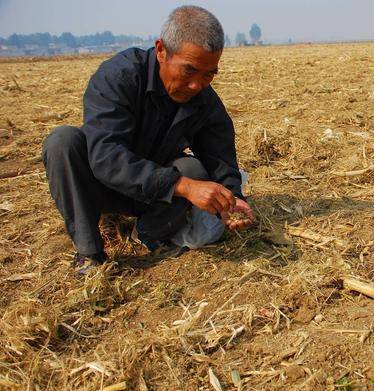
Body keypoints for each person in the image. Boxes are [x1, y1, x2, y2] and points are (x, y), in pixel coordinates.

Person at [41, 5, 255, 275]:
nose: (197, 85)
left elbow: (219, 155)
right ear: (162, 50)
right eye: (189, 70)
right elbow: (105, 156)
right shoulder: (119, 77)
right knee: (62, 141)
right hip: (99, 186)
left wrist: (232, 199)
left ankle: (148, 233)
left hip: (154, 196)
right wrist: (184, 186)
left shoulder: (204, 99)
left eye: (209, 74)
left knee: (194, 170)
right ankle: (89, 253)